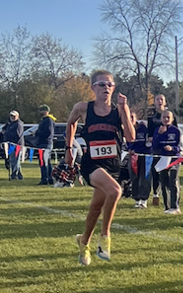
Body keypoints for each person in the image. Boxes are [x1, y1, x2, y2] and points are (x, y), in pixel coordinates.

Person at [66, 70, 135, 265]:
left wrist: (125, 110)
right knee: (115, 190)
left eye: (110, 85)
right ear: (93, 88)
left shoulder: (119, 109)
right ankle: (105, 237)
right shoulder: (83, 108)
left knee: (96, 208)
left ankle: (83, 241)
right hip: (91, 163)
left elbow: (130, 137)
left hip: (112, 164)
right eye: (102, 84)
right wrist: (69, 148)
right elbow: (70, 123)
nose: (106, 88)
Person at [153, 109, 183, 214]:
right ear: (161, 119)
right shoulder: (158, 130)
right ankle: (167, 207)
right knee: (164, 182)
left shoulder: (176, 131)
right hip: (162, 159)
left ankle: (175, 207)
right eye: (164, 117)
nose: (166, 119)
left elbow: (180, 146)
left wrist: (172, 148)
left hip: (174, 159)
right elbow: (154, 146)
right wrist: (159, 135)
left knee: (173, 181)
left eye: (168, 117)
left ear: (172, 119)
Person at [34, 105, 56, 186]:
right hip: (45, 143)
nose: (40, 112)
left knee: (43, 162)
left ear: (46, 111)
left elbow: (48, 132)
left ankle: (45, 179)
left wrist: (37, 133)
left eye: (41, 110)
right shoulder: (45, 120)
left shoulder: (48, 120)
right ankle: (49, 179)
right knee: (47, 162)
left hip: (45, 143)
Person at [4, 110, 24, 180]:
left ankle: (14, 175)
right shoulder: (10, 124)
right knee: (14, 160)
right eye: (11, 116)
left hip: (16, 145)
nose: (12, 117)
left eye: (14, 116)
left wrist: (7, 133)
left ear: (17, 116)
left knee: (14, 160)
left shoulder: (18, 124)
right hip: (11, 144)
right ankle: (19, 175)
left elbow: (18, 135)